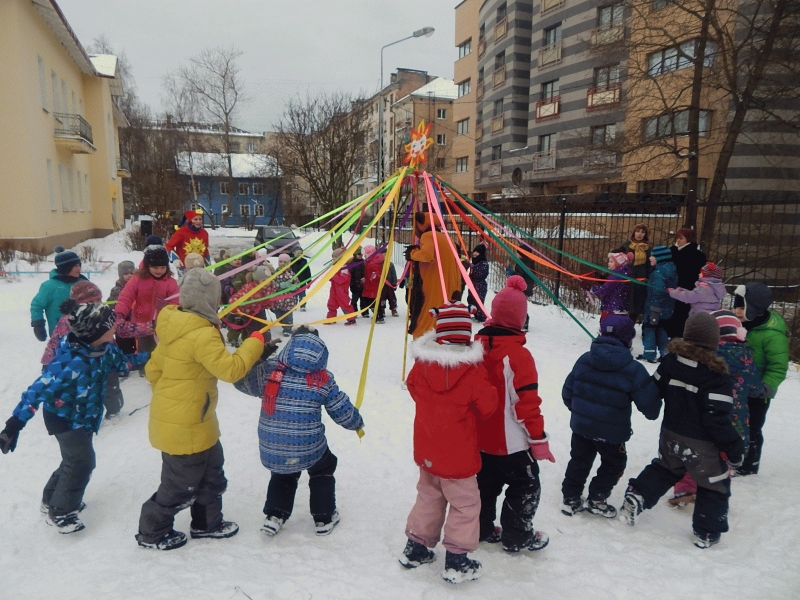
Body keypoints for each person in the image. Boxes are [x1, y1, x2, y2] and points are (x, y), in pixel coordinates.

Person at [135, 268, 265, 550]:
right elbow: (230, 370)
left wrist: (173, 399)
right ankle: (152, 532)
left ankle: (207, 523)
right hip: (185, 426)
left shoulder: (174, 327)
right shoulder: (201, 334)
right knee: (179, 485)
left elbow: (152, 371)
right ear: (210, 301)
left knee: (211, 474)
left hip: (196, 420)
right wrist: (255, 344)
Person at [0, 302, 148, 533]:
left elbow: (124, 363)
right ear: (98, 331)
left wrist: (154, 356)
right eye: (112, 325)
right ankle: (61, 512)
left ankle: (51, 499)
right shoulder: (68, 361)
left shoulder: (105, 350)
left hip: (86, 416)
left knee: (72, 460)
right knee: (82, 462)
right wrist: (14, 425)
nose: (116, 327)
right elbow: (36, 392)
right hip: (64, 419)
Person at [620, 312, 744, 549]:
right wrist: (734, 448)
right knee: (713, 483)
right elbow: (716, 419)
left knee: (666, 468)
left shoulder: (670, 362)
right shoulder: (717, 376)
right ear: (714, 341)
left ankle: (639, 494)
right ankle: (707, 531)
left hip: (671, 433)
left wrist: (650, 408)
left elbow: (653, 389)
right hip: (702, 444)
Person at [399, 300, 497, 584]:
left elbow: (413, 388)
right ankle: (456, 560)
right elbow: (488, 407)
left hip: (428, 448)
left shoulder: (422, 365)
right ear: (467, 336)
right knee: (465, 504)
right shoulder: (473, 371)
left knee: (429, 495)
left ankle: (416, 547)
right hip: (458, 456)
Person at [234, 325, 363, 537]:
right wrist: (356, 423)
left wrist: (262, 354)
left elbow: (241, 380)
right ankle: (324, 517)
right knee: (324, 466)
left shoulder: (270, 370)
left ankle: (275, 515)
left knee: (283, 470)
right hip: (309, 446)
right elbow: (340, 409)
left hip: (273, 444)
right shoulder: (322, 378)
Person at [474, 276, 553, 553]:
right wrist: (538, 439)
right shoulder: (518, 356)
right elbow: (526, 404)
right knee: (526, 485)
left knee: (485, 486)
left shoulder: (475, 347)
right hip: (512, 444)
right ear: (521, 319)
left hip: (479, 440)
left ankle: (481, 529)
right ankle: (517, 536)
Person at [561, 315, 661, 517]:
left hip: (581, 427)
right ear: (628, 338)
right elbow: (650, 406)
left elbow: (567, 392)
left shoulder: (584, 359)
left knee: (579, 460)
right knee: (614, 464)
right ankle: (597, 498)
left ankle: (571, 498)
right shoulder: (633, 369)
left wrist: (580, 412)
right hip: (612, 434)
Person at [668, 310, 762, 507]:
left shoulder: (708, 356)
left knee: (695, 456)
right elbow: (755, 388)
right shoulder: (747, 357)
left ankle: (686, 489)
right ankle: (717, 495)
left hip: (707, 417)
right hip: (735, 421)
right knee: (723, 462)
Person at [732, 282, 789, 476]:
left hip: (758, 393)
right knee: (733, 424)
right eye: (736, 307)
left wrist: (766, 387)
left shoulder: (772, 335)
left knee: (752, 427)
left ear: (755, 308)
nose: (737, 311)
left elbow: (778, 367)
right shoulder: (736, 326)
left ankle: (749, 464)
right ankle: (734, 457)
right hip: (736, 388)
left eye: (742, 308)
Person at [114, 244, 179, 355]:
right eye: (155, 267)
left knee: (163, 352)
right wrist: (119, 314)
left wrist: (167, 312)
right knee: (144, 352)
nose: (159, 270)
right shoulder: (137, 279)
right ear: (147, 266)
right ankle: (144, 365)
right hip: (141, 324)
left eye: (162, 267)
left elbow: (175, 303)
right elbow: (125, 298)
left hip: (163, 325)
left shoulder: (170, 283)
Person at [406, 212, 462, 338]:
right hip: (448, 284)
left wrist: (412, 253)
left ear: (421, 224)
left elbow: (427, 255)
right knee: (442, 313)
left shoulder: (428, 235)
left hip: (434, 283)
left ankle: (424, 341)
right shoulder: (447, 238)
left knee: (428, 315)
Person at [30, 248, 87, 340]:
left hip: (85, 334)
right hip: (60, 335)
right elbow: (37, 305)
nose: (79, 268)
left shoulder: (83, 283)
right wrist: (38, 324)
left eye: (79, 265)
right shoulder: (50, 286)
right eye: (75, 266)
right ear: (66, 268)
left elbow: (94, 303)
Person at [663, 229, 707, 338]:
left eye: (681, 238)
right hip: (672, 288)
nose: (678, 240)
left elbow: (694, 272)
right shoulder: (672, 252)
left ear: (689, 239)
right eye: (677, 238)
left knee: (680, 316)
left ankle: (678, 336)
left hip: (686, 289)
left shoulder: (696, 255)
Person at [639, 245, 678, 363]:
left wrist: (654, 310)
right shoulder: (670, 270)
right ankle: (665, 354)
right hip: (666, 308)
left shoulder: (657, 273)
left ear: (660, 258)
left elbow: (658, 292)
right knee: (661, 329)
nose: (650, 258)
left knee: (649, 329)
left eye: (653, 256)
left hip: (655, 308)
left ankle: (649, 354)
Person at [226, 265, 275, 347]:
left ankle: (266, 345)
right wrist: (235, 306)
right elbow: (236, 297)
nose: (267, 282)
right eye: (263, 280)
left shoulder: (269, 288)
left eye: (268, 280)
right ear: (257, 280)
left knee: (264, 328)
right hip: (248, 313)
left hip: (260, 311)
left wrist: (268, 303)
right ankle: (253, 346)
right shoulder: (249, 288)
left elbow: (271, 301)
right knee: (253, 330)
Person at [613, 224, 651, 320]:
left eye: (643, 232)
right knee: (625, 301)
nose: (639, 234)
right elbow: (618, 259)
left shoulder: (648, 248)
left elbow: (650, 264)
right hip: (627, 277)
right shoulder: (627, 245)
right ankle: (622, 323)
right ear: (634, 232)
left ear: (645, 234)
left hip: (640, 279)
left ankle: (631, 323)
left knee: (636, 304)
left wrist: (648, 277)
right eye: (637, 231)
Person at [591, 252, 632, 321]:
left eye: (611, 262)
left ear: (618, 264)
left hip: (613, 309)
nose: (608, 263)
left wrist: (592, 288)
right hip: (620, 308)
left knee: (608, 326)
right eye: (609, 261)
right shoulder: (622, 273)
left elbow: (605, 290)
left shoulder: (616, 275)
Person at [326, 248, 357, 325]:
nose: (333, 258)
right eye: (333, 257)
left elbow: (341, 280)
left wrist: (333, 274)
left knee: (345, 304)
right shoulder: (335, 266)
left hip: (341, 290)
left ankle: (351, 319)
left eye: (334, 257)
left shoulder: (344, 268)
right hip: (334, 290)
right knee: (331, 303)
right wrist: (330, 275)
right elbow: (331, 279)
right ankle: (331, 318)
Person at [272, 253, 299, 337]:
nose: (282, 263)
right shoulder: (275, 274)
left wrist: (292, 287)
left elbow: (297, 284)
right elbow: (271, 285)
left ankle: (288, 329)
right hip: (277, 301)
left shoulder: (292, 274)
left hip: (289, 300)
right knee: (279, 316)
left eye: (285, 262)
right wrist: (279, 286)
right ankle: (284, 325)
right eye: (280, 261)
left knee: (288, 316)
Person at [360, 245, 386, 323]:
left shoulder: (374, 262)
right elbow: (368, 272)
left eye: (365, 255)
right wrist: (365, 278)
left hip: (374, 285)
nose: (364, 257)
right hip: (369, 284)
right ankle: (377, 315)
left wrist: (375, 276)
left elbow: (378, 272)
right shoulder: (369, 262)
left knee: (375, 302)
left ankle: (380, 317)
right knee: (368, 301)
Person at [467, 244, 489, 322]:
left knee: (479, 301)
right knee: (470, 300)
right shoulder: (475, 261)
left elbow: (480, 274)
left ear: (481, 253)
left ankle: (481, 317)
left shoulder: (484, 263)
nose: (475, 253)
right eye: (474, 251)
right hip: (473, 285)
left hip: (480, 286)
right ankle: (476, 315)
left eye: (477, 252)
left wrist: (474, 268)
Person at [347, 247, 365, 314]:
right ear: (355, 254)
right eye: (358, 254)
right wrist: (354, 283)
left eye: (361, 254)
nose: (360, 255)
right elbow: (350, 275)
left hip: (362, 284)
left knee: (363, 298)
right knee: (355, 298)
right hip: (354, 285)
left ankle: (364, 312)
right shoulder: (352, 263)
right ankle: (354, 311)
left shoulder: (363, 262)